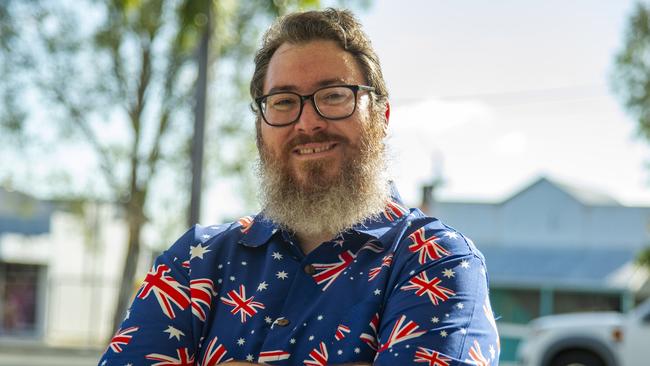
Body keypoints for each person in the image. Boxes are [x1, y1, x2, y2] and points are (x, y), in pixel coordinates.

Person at [99, 8, 499, 366]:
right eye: (284, 101)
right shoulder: (195, 262)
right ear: (260, 128)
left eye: (334, 95)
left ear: (381, 116)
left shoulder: (436, 261)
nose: (307, 122)